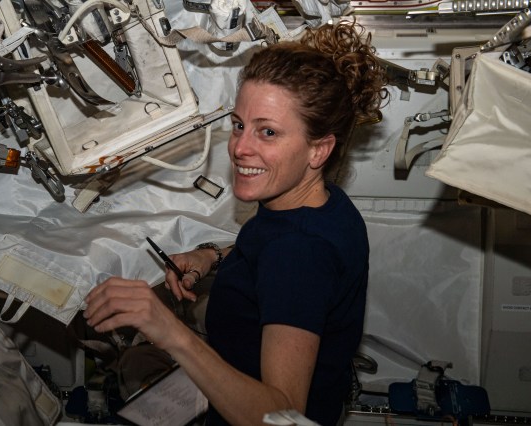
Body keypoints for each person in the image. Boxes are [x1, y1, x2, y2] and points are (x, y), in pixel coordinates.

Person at [84, 19, 387, 425]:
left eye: (268, 132)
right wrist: (212, 256)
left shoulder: (300, 253)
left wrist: (173, 334)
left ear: (319, 150)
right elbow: (269, 253)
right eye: (239, 125)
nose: (241, 148)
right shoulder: (318, 206)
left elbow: (283, 415)